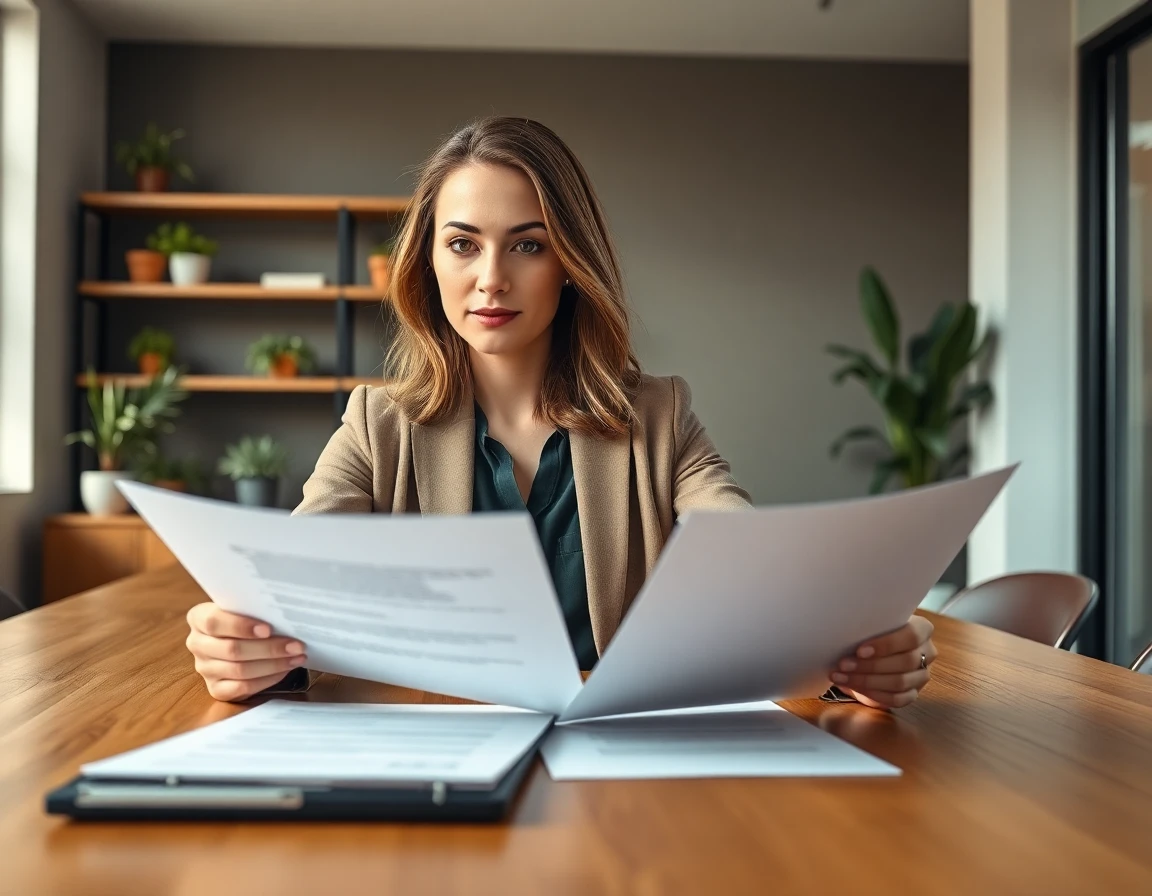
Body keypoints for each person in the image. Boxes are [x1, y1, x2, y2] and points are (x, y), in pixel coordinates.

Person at [184, 116, 937, 709]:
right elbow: (289, 590)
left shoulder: (660, 417)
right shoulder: (378, 426)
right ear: (429, 262)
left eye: (529, 246)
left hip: (619, 777)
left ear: (570, 265)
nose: (491, 279)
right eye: (462, 244)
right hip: (443, 759)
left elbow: (749, 560)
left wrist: (856, 646)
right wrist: (246, 650)